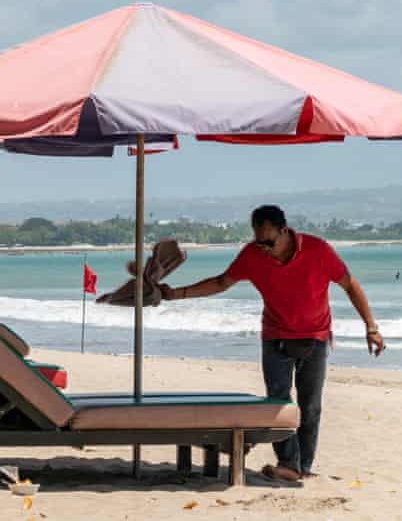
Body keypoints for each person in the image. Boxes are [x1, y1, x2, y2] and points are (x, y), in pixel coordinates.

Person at [159, 205, 385, 482]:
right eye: (258, 240)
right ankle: (289, 464)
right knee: (278, 403)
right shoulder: (252, 256)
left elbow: (349, 285)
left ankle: (303, 467)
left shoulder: (318, 250)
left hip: (315, 337)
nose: (263, 247)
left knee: (310, 407)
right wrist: (177, 294)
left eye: (269, 241)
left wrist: (371, 327)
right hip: (275, 337)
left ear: (284, 230)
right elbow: (221, 283)